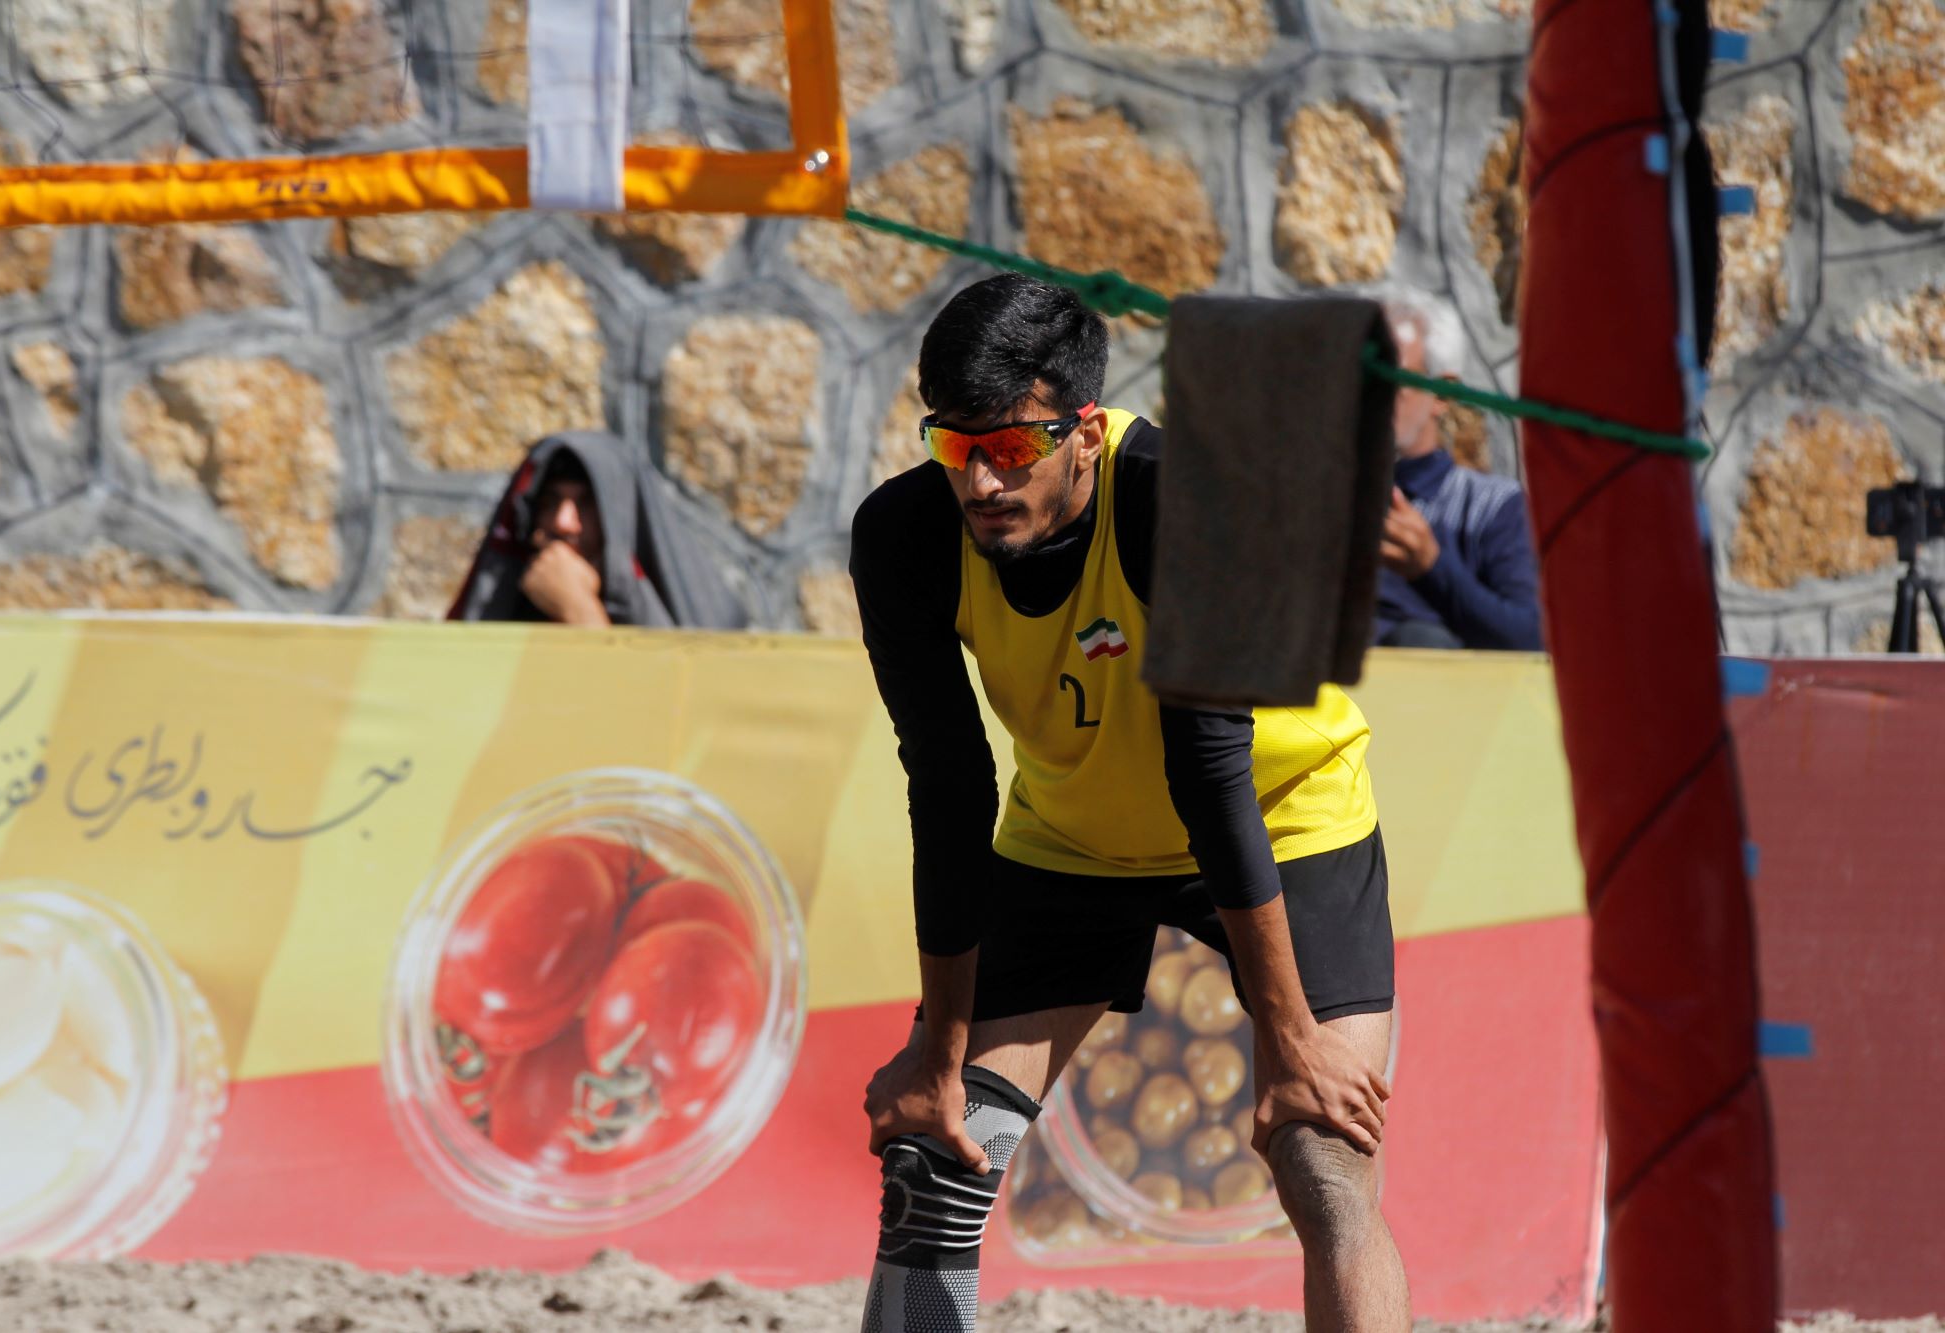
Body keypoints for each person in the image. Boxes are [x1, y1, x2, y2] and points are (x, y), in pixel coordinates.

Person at [850, 275, 1408, 1333]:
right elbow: (949, 786)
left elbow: (1211, 769)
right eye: (953, 444)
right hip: (1074, 836)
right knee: (935, 1155)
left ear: (1086, 431)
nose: (979, 480)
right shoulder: (903, 533)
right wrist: (936, 1053)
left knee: (1323, 1160)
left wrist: (1289, 1036)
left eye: (1010, 448)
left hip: (1283, 814)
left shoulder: (1186, 501)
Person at [1373, 290, 1542, 651]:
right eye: (1361, 376)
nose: (1370, 395)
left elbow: (1528, 639)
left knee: (1420, 639)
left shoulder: (1492, 507)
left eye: (1390, 377)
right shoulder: (1319, 498)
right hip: (1323, 687)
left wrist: (1431, 567)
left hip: (1430, 685)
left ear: (1441, 394)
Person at [447, 431, 745, 629]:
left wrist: (578, 609)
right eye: (550, 502)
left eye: (586, 503)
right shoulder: (505, 608)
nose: (563, 523)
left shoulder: (659, 616)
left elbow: (658, 699)